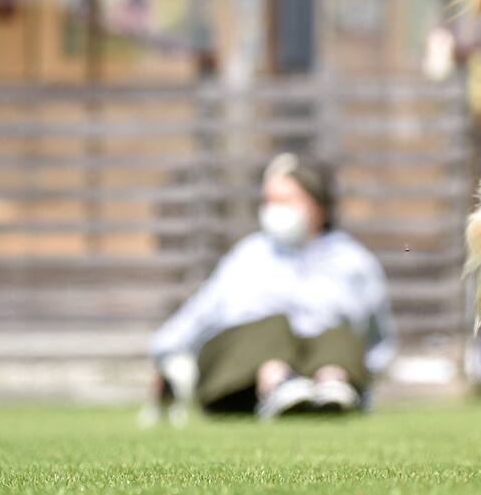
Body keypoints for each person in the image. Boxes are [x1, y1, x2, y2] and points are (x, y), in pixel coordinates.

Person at [147, 153, 396, 421]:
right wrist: (165, 351)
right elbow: (203, 310)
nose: (275, 209)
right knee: (271, 328)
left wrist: (365, 373)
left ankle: (333, 385)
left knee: (337, 337)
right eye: (269, 201)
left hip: (320, 367)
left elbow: (376, 334)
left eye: (287, 200)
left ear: (318, 205)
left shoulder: (353, 261)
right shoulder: (249, 255)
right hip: (245, 380)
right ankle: (279, 385)